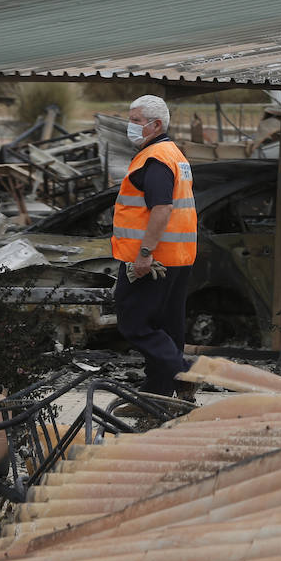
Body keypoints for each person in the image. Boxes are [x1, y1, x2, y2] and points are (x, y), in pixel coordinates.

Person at [112, 95, 197, 399]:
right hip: (178, 258)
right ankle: (158, 396)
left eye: (135, 121)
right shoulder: (175, 154)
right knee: (168, 327)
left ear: (156, 124)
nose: (130, 126)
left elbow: (161, 209)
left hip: (153, 261)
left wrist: (144, 254)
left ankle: (183, 372)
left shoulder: (155, 158)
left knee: (134, 323)